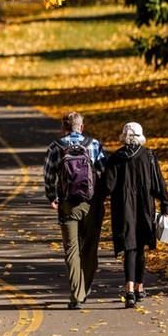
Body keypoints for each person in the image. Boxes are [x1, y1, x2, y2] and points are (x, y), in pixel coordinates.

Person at [43, 111, 107, 309]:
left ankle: (76, 295)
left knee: (72, 250)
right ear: (82, 126)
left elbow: (49, 175)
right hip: (92, 203)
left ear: (63, 128)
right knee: (90, 248)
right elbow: (104, 172)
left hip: (68, 203)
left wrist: (52, 197)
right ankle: (83, 289)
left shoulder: (56, 147)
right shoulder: (94, 145)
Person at [105, 122, 168, 308]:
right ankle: (140, 288)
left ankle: (129, 289)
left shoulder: (116, 157)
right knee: (140, 248)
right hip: (144, 208)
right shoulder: (148, 156)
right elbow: (159, 184)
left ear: (123, 136)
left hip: (124, 209)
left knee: (129, 248)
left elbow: (108, 186)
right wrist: (165, 206)